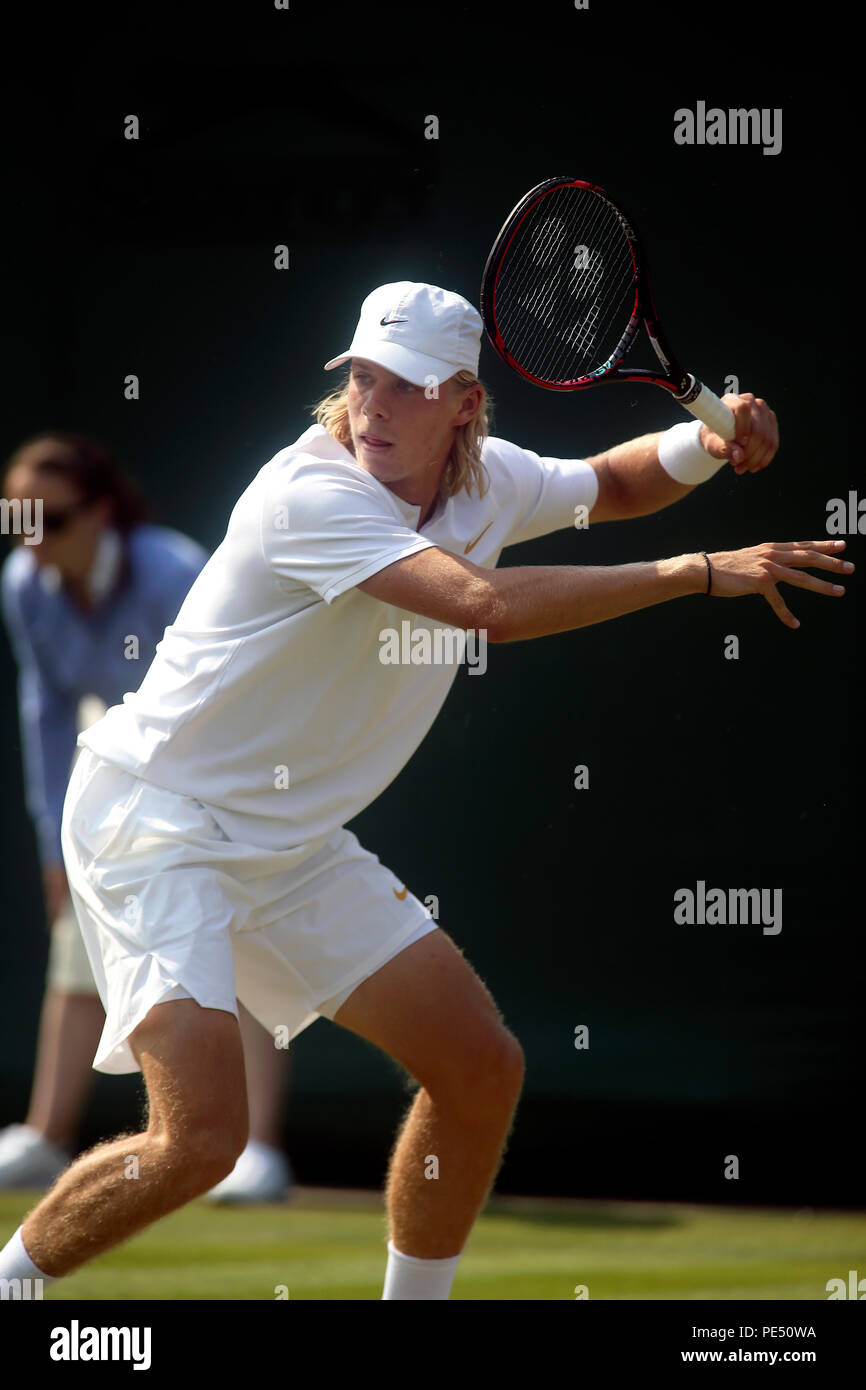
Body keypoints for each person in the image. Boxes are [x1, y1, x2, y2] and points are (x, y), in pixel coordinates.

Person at [0, 281, 851, 1302]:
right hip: (155, 820)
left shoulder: (486, 480)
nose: (372, 406)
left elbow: (606, 484)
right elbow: (481, 604)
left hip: (287, 839)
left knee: (478, 1067)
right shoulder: (305, 495)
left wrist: (699, 449)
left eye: (403, 388)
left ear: (460, 401)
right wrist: (695, 571)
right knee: (202, 1139)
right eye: (359, 377)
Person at [0, 433, 292, 1202]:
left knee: (233, 938)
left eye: (51, 521)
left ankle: (258, 1148)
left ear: (100, 512)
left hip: (223, 755)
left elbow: (227, 697)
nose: (32, 541)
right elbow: (47, 714)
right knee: (76, 936)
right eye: (18, 520)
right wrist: (53, 838)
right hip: (117, 760)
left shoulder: (175, 572)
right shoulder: (24, 585)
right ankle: (44, 1134)